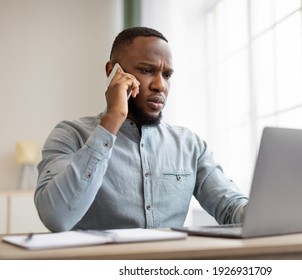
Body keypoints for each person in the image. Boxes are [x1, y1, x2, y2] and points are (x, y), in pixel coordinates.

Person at [34, 26, 248, 232]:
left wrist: (265, 213)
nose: (160, 85)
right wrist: (113, 118)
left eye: (167, 75)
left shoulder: (190, 145)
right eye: (147, 70)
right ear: (112, 72)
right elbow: (56, 217)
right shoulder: (70, 135)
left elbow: (230, 208)